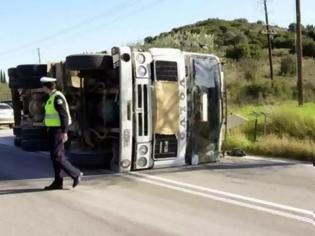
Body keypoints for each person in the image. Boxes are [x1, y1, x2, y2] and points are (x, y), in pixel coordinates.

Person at [40, 76, 83, 190]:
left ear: (46, 86)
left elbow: (63, 116)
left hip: (58, 130)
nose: (42, 88)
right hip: (52, 130)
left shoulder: (57, 97)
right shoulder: (51, 97)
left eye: (43, 86)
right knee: (55, 157)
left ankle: (76, 174)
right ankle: (58, 182)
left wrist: (64, 132)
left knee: (58, 156)